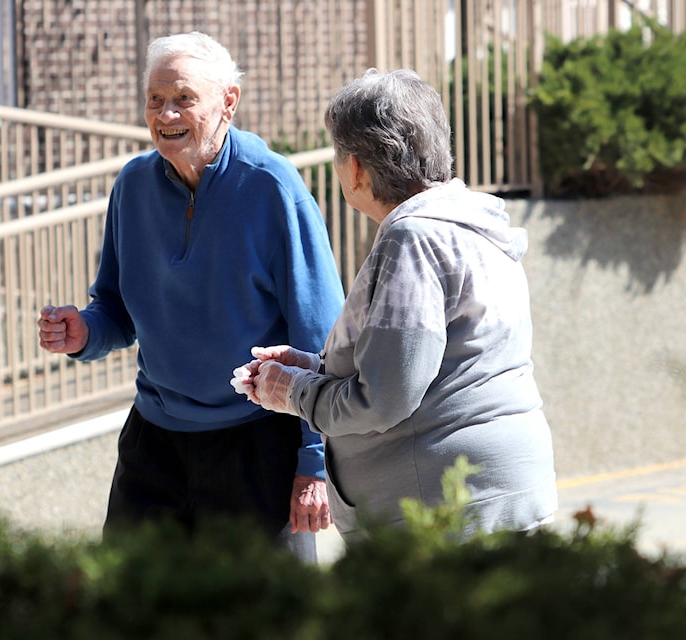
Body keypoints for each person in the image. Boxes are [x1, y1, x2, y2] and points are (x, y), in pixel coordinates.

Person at [37, 31, 345, 560]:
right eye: (155, 100)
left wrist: (314, 464)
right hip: (155, 441)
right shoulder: (132, 187)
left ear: (229, 101)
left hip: (256, 441)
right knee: (127, 606)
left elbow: (320, 333)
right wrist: (84, 331)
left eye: (183, 98)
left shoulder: (272, 186)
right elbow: (114, 306)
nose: (166, 114)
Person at [232, 69, 558, 541]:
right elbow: (430, 361)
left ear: (359, 168)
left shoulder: (414, 237)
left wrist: (294, 391)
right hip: (497, 489)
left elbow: (386, 397)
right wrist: (311, 368)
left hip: (446, 510)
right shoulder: (470, 224)